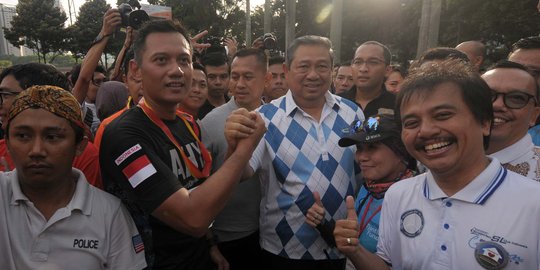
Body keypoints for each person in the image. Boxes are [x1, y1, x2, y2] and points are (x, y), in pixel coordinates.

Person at [334, 59, 540, 269]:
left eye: (443, 115)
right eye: (412, 123)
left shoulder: (534, 204)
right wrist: (355, 249)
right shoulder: (398, 195)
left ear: (485, 122)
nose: (426, 131)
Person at [99, 19, 265, 269]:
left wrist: (211, 244)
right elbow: (192, 216)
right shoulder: (123, 136)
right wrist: (245, 150)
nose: (176, 70)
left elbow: (205, 190)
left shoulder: (189, 124)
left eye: (184, 60)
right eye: (161, 60)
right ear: (135, 70)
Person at [225, 35, 364, 269]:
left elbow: (362, 170)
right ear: (287, 70)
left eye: (322, 66)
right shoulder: (263, 117)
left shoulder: (352, 113)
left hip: (343, 246)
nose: (313, 74)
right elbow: (239, 173)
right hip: (283, 248)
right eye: (304, 66)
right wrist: (232, 144)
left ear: (332, 70)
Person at [0, 85, 146, 269]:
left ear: (79, 145)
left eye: (52, 137)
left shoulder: (110, 213)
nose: (36, 150)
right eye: (22, 136)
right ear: (8, 144)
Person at [306, 114, 416, 254]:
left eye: (372, 147)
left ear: (401, 150)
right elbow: (351, 243)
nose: (361, 157)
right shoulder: (368, 188)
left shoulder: (415, 200)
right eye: (359, 148)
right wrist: (321, 223)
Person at [201, 48, 267, 269]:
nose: (239, 84)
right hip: (227, 236)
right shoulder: (211, 122)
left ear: (265, 79)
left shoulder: (278, 118)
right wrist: (210, 242)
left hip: (270, 233)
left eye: (248, 77)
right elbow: (199, 184)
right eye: (235, 76)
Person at [0, 63, 103, 188]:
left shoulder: (86, 156)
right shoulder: (2, 149)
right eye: (22, 136)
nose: (36, 151)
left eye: (5, 95)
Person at [482, 60, 540, 181]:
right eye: (486, 95)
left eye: (516, 98)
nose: (497, 105)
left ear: (534, 115)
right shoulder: (440, 159)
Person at [340, 41, 395, 117]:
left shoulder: (398, 105)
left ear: (387, 70)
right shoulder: (337, 103)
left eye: (373, 62)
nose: (363, 69)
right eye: (358, 62)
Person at [199, 52, 231, 119]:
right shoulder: (196, 109)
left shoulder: (235, 106)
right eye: (212, 77)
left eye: (223, 76)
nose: (218, 82)